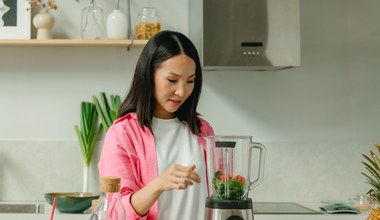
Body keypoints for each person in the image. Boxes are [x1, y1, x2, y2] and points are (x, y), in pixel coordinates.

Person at [98, 30, 215, 220]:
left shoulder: (203, 130)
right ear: (148, 75)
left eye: (190, 81)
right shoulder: (123, 133)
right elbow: (115, 212)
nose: (181, 91)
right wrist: (159, 184)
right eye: (172, 80)